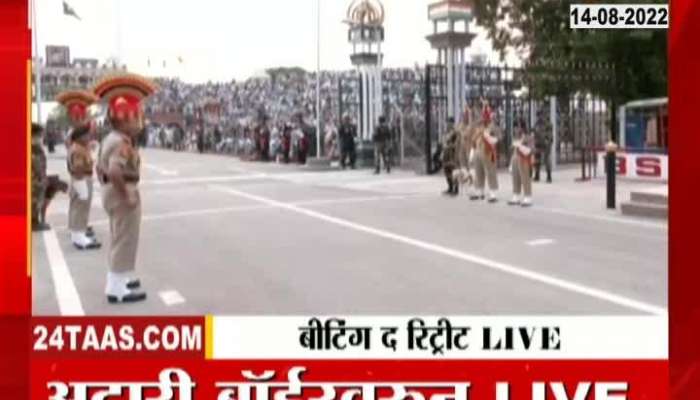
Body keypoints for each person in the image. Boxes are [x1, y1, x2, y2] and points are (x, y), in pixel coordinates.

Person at [94, 73, 157, 304]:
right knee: (125, 239)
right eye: (134, 117)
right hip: (121, 193)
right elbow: (114, 170)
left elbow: (100, 169)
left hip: (111, 193)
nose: (137, 122)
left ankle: (119, 278)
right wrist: (126, 194)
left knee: (118, 236)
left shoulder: (110, 138)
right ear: (124, 119)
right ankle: (117, 287)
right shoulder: (121, 142)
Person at [56, 90, 102, 249]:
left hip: (82, 175)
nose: (82, 119)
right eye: (79, 117)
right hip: (80, 176)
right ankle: (77, 232)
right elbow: (76, 164)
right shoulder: (74, 137)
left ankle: (79, 229)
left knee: (80, 205)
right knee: (79, 204)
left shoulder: (79, 140)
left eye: (82, 116)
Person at [470, 102, 501, 203]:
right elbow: (473, 139)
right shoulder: (479, 126)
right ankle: (480, 191)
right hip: (478, 151)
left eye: (484, 111)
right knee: (478, 171)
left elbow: (499, 137)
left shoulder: (493, 126)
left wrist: (489, 137)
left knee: (490, 172)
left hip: (488, 151)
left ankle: (493, 192)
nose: (482, 116)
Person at [508, 122, 535, 207]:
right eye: (515, 128)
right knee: (515, 178)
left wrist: (521, 146)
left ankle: (528, 196)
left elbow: (532, 150)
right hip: (515, 159)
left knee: (525, 178)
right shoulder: (516, 138)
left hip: (524, 159)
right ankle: (516, 195)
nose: (516, 130)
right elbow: (512, 149)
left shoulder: (529, 137)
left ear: (522, 128)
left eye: (517, 127)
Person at [31, 123, 50, 231]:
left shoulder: (37, 148)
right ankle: (33, 223)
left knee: (38, 200)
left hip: (38, 180)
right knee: (33, 201)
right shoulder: (32, 149)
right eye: (39, 135)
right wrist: (42, 178)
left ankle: (35, 221)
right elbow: (36, 165)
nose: (40, 138)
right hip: (34, 180)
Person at [441, 117, 459, 196]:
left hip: (452, 153)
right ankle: (450, 187)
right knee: (446, 170)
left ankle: (455, 188)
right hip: (446, 153)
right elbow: (444, 141)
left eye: (449, 122)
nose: (448, 124)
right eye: (447, 122)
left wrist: (451, 146)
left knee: (453, 171)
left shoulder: (455, 132)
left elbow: (457, 143)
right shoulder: (446, 131)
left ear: (452, 123)